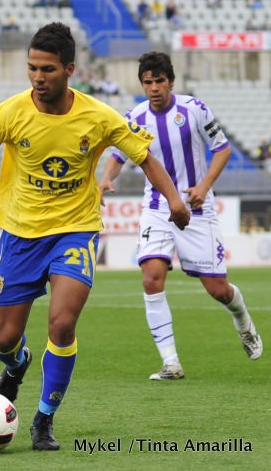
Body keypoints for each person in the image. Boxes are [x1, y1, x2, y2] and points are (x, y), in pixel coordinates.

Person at [0, 23, 190, 451]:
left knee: (62, 324)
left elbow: (145, 157)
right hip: (20, 235)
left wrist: (174, 199)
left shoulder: (99, 116)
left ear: (69, 69)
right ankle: (16, 366)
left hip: (75, 232)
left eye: (46, 69)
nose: (37, 77)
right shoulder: (9, 112)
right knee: (5, 338)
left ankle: (44, 419)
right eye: (31, 68)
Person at [99, 51, 263, 381]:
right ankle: (170, 362)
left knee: (217, 289)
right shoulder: (135, 117)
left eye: (159, 81)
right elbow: (118, 155)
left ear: (170, 81)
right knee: (152, 277)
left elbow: (223, 148)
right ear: (142, 85)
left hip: (196, 208)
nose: (154, 87)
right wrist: (105, 179)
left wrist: (203, 186)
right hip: (157, 209)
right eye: (148, 82)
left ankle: (243, 320)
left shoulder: (194, 109)